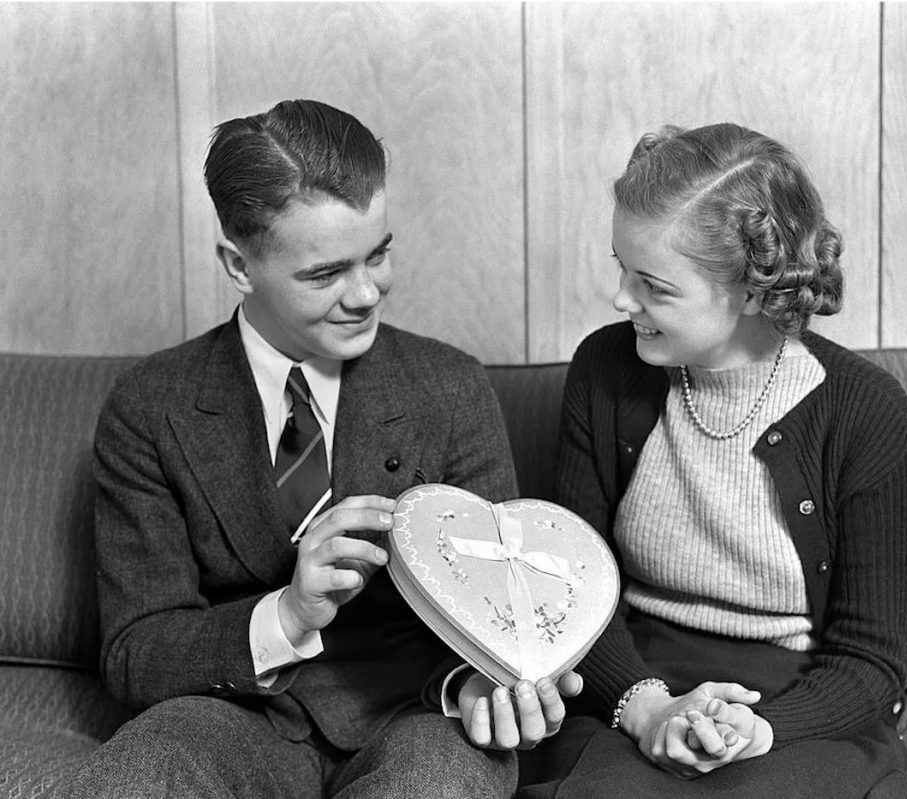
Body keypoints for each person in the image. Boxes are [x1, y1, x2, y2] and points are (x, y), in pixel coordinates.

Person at [60, 99, 575, 799]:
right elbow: (133, 653)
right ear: (239, 266)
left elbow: (503, 616)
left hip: (419, 717)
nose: (366, 292)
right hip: (230, 715)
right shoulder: (149, 406)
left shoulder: (449, 386)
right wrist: (288, 614)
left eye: (380, 253)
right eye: (325, 273)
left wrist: (492, 681)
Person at [518, 123, 907, 798]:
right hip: (631, 682)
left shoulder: (868, 413)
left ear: (747, 288)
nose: (623, 299)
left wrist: (757, 727)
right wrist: (647, 708)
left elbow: (870, 663)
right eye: (620, 268)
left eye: (653, 284)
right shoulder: (605, 370)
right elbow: (565, 590)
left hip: (799, 712)